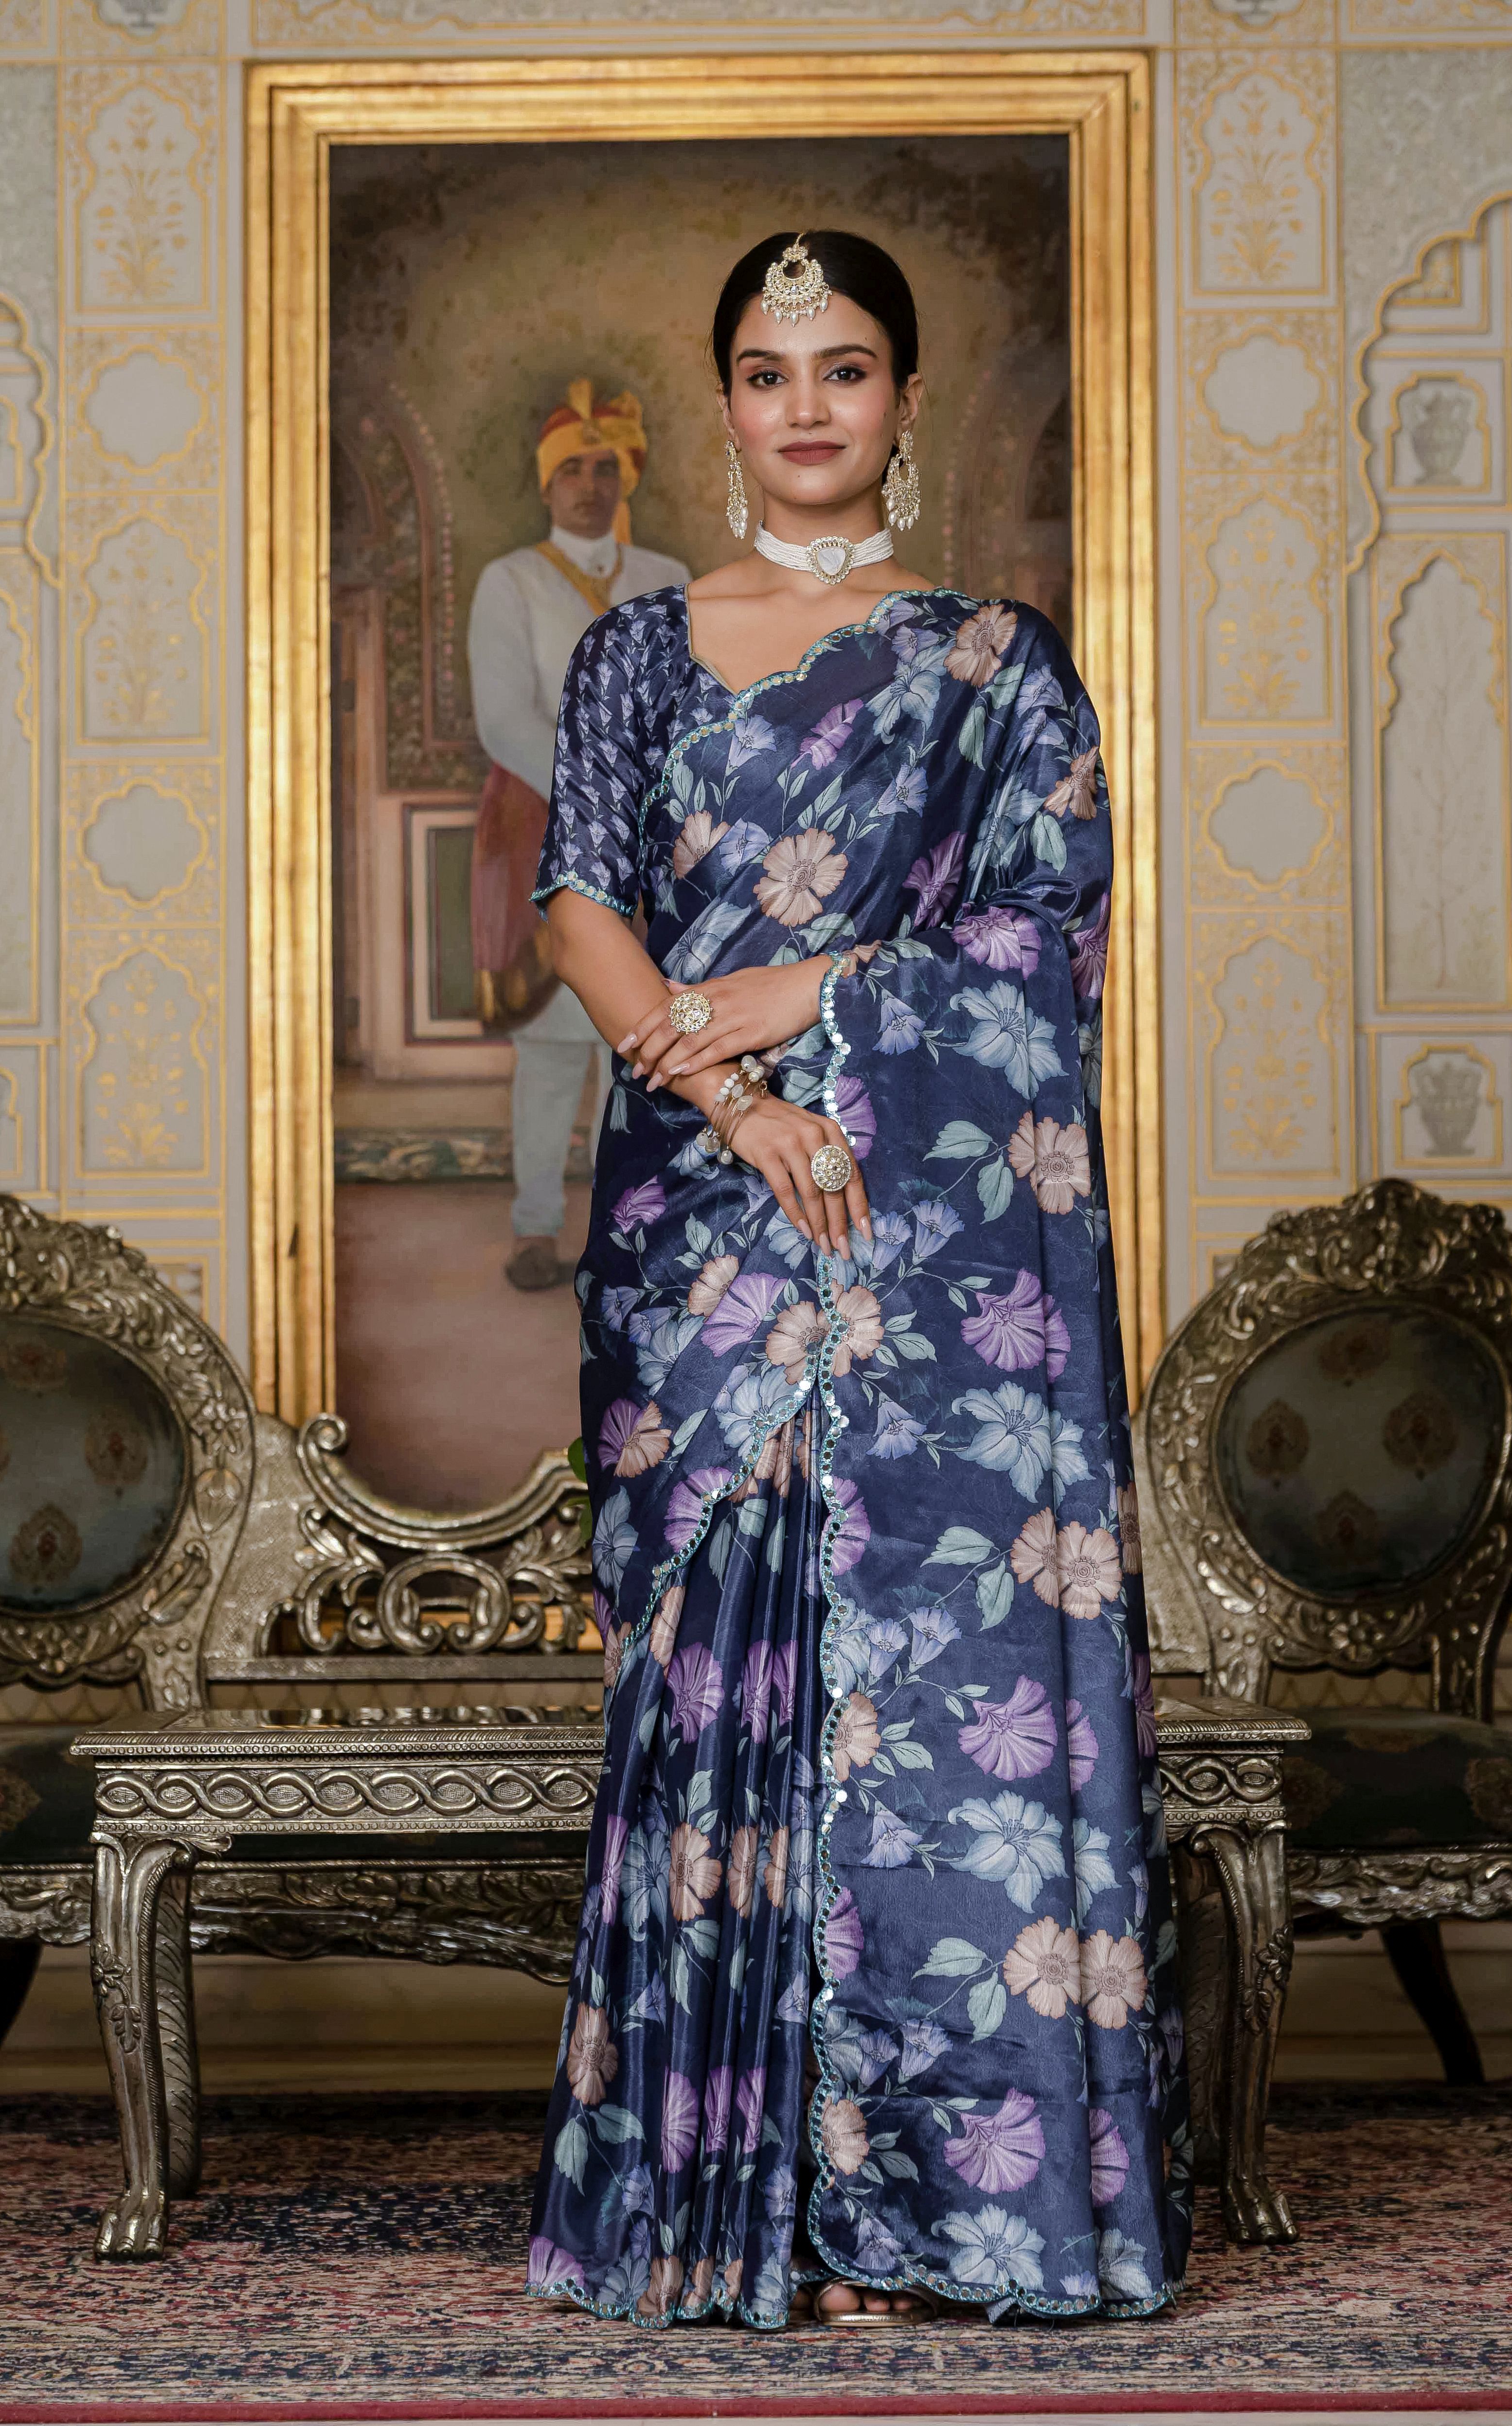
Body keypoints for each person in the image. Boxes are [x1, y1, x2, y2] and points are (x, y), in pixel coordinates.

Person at [525, 232, 1187, 2329]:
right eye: (763, 368)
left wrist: (806, 991)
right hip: (701, 1222)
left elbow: (1040, 941)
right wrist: (743, 1108)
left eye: (842, 367)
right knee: (716, 1669)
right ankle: (719, 2202)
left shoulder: (993, 664)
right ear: (719, 401)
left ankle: (909, 2206)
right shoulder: (636, 654)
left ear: (902, 395)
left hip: (919, 1237)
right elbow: (577, 906)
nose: (802, 405)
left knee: (916, 1687)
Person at [467, 380, 689, 1292]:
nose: (590, 487)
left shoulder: (668, 577)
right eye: (573, 471)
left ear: (626, 476)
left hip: (651, 834)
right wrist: (598, 801)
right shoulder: (511, 581)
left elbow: (687, 703)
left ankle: (618, 1236)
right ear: (547, 484)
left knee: (635, 1042)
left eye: (606, 468)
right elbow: (503, 718)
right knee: (554, 1043)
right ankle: (535, 1227)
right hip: (540, 823)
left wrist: (648, 805)